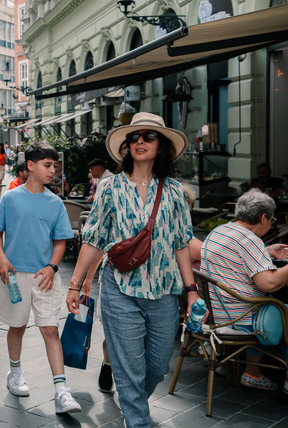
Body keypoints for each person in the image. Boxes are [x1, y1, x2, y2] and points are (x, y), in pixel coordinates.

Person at [65, 112, 198, 428]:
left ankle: (134, 402)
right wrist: (75, 284)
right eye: (134, 136)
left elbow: (182, 243)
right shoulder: (111, 187)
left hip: (165, 293)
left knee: (156, 367)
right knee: (128, 369)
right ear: (126, 145)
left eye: (149, 136)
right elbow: (94, 238)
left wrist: (191, 292)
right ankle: (136, 419)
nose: (140, 140)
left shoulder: (175, 191)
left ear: (161, 146)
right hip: (119, 288)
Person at [0, 141, 81, 414]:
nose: (52, 170)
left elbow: (60, 242)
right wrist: (2, 259)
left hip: (46, 277)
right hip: (15, 276)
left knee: (50, 329)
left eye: (54, 165)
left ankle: (61, 390)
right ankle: (15, 373)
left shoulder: (55, 203)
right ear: (30, 166)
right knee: (16, 326)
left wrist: (53, 267)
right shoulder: (9, 198)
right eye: (47, 165)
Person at [201, 190, 288, 393]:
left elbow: (234, 255)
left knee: (265, 305)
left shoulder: (220, 231)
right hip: (239, 318)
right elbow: (269, 283)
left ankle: (253, 371)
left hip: (216, 313)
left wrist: (265, 251)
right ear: (263, 218)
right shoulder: (250, 241)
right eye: (272, 218)